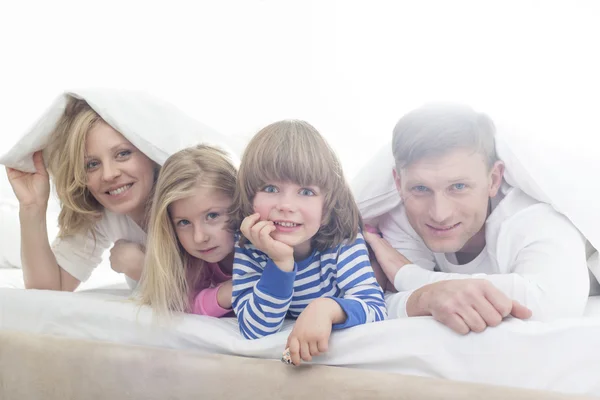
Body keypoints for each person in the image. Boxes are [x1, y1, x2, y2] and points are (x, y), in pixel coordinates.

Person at [364, 104, 590, 334]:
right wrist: (424, 299)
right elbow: (381, 303)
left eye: (458, 186)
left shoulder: (534, 218)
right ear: (398, 183)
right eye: (421, 188)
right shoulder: (401, 216)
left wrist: (408, 275)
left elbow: (551, 305)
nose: (439, 214)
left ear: (493, 180)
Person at [231, 120, 387, 366]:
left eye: (306, 192)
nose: (286, 205)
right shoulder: (249, 246)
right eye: (270, 188)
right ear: (250, 197)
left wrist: (326, 308)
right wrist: (280, 262)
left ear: (327, 206)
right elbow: (255, 330)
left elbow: (376, 309)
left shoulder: (342, 241)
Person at [138, 145, 237, 317]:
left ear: (240, 205)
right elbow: (180, 302)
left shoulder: (266, 247)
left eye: (212, 215)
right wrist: (226, 293)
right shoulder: (189, 260)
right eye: (184, 222)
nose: (199, 237)